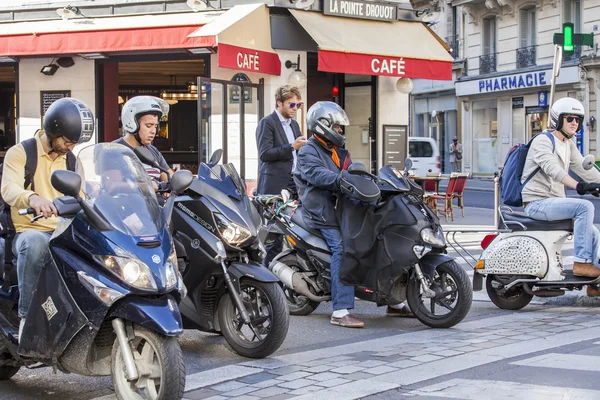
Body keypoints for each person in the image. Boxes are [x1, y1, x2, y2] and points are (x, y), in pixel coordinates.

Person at [1, 97, 93, 338]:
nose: (71, 146)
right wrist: (33, 199)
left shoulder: (71, 160)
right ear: (53, 130)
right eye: (67, 141)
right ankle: (26, 319)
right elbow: (8, 189)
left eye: (75, 142)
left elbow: (82, 195)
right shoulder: (21, 153)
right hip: (27, 231)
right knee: (35, 244)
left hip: (64, 232)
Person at [522, 97, 600, 296]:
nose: (575, 123)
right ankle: (582, 263)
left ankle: (593, 284)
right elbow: (552, 169)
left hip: (553, 202)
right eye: (570, 118)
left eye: (578, 119)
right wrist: (578, 186)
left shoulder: (569, 144)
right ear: (558, 119)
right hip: (537, 202)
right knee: (585, 207)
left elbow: (584, 169)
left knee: (593, 231)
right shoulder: (543, 141)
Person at [256, 85, 306, 268]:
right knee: (272, 239)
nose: (295, 109)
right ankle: (265, 280)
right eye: (292, 105)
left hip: (293, 185)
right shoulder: (267, 123)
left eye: (298, 105)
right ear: (279, 103)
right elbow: (265, 154)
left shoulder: (294, 125)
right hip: (273, 186)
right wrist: (292, 146)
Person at [114, 96, 172, 192]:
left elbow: (168, 177)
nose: (153, 131)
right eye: (148, 126)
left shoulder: (153, 151)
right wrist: (144, 186)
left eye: (155, 126)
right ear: (132, 123)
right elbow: (111, 186)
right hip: (130, 205)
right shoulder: (114, 150)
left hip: (158, 206)